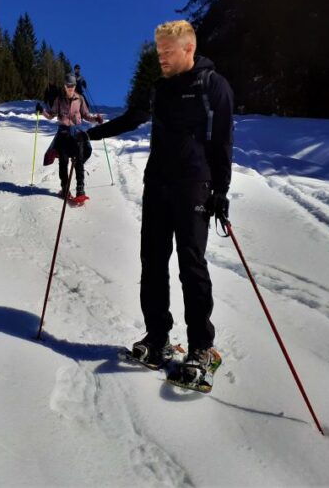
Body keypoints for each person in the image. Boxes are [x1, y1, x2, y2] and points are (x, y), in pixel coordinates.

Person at [86, 20, 234, 384]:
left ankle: (202, 347)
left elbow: (223, 143)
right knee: (152, 261)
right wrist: (87, 135)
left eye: (167, 52)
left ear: (188, 50)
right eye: (158, 52)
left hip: (193, 185)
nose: (161, 59)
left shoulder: (213, 86)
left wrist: (221, 190)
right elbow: (132, 118)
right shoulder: (159, 89)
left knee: (191, 263)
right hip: (158, 184)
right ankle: (158, 339)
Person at [36, 73, 103, 204]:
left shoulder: (80, 99)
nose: (70, 88)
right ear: (64, 86)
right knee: (63, 161)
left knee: (79, 159)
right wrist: (41, 111)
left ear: (75, 86)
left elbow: (85, 115)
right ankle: (65, 189)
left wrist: (96, 119)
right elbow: (51, 115)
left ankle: (80, 190)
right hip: (63, 134)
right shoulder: (59, 100)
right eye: (68, 85)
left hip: (77, 133)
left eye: (72, 85)